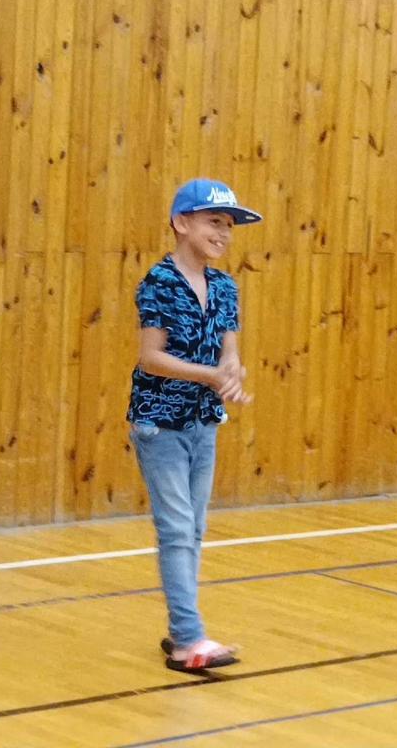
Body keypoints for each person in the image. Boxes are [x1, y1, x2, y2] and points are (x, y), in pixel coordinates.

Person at [127, 178, 262, 673]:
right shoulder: (159, 282)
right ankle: (188, 639)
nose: (223, 233)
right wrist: (210, 376)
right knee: (178, 528)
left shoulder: (225, 287)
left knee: (194, 529)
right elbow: (151, 358)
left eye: (228, 225)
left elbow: (230, 356)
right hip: (159, 423)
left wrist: (231, 376)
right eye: (213, 221)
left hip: (204, 422)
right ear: (181, 223)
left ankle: (183, 628)